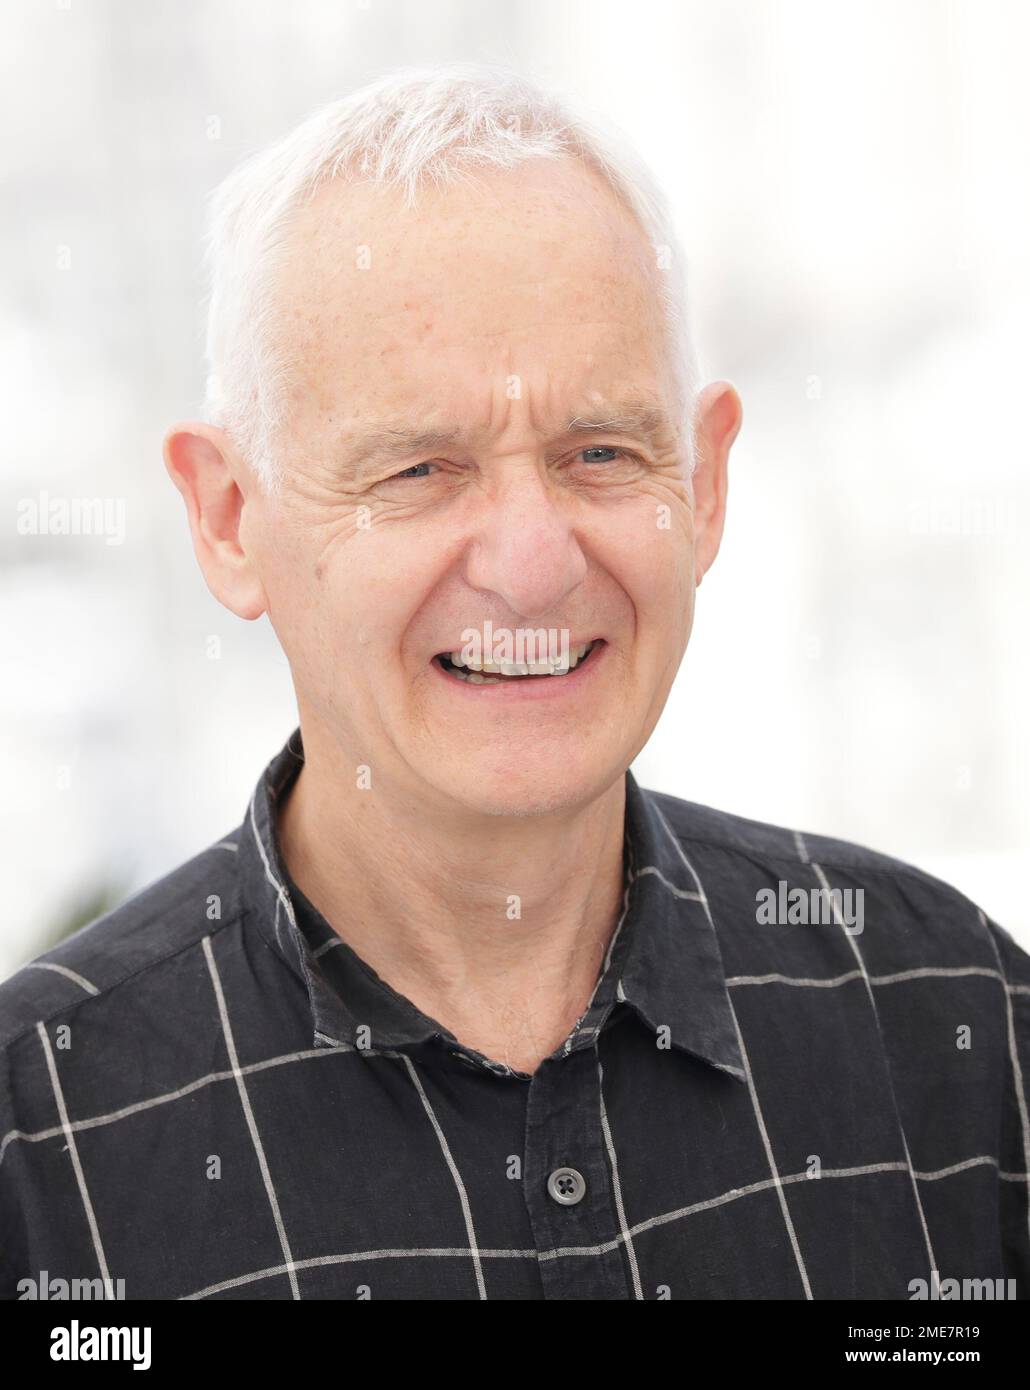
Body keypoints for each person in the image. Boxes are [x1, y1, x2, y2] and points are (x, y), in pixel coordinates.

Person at [2, 65, 1027, 1302]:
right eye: (420, 469)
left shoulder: (958, 1027)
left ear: (702, 485)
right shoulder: (40, 1150)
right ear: (229, 519)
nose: (532, 566)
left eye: (599, 451)